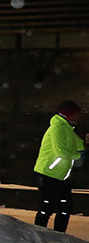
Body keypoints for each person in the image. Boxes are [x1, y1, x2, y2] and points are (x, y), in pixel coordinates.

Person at [33, 100, 85, 233]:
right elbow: (60, 152)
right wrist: (79, 156)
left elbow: (80, 146)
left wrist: (85, 144)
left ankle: (59, 236)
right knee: (47, 207)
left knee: (64, 207)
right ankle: (38, 235)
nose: (80, 116)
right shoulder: (58, 128)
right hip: (47, 174)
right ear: (69, 115)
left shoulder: (68, 128)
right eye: (77, 114)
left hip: (61, 175)